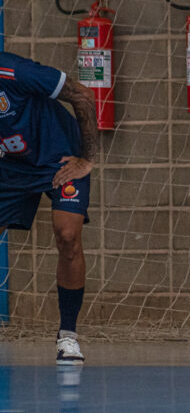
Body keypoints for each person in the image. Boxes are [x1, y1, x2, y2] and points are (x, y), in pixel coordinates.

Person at [0, 52, 97, 365]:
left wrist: (88, 158)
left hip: (59, 157)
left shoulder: (16, 72)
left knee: (67, 235)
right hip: (11, 166)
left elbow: (83, 95)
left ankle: (67, 335)